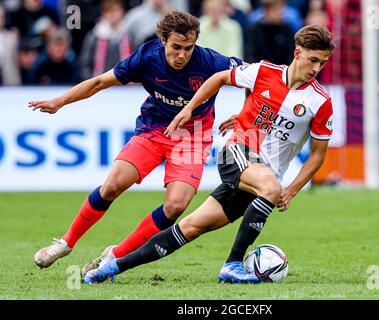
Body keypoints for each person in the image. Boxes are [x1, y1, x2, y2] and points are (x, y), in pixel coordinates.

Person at [83, 24, 335, 284]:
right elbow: (218, 78)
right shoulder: (263, 71)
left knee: (191, 227)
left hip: (260, 178)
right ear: (297, 53)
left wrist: (292, 190)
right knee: (271, 187)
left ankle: (110, 268)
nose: (316, 69)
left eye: (322, 63)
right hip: (237, 151)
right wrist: (189, 109)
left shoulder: (320, 102)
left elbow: (317, 155)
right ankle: (233, 264)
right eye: (313, 60)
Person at [30, 10, 242, 270]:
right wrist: (59, 101)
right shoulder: (147, 57)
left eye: (188, 48)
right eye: (176, 47)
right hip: (153, 131)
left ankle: (115, 255)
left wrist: (243, 115)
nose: (182, 55)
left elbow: (256, 77)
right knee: (111, 187)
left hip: (191, 139)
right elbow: (99, 82)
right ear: (162, 39)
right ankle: (66, 243)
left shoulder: (210, 62)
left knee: (176, 206)